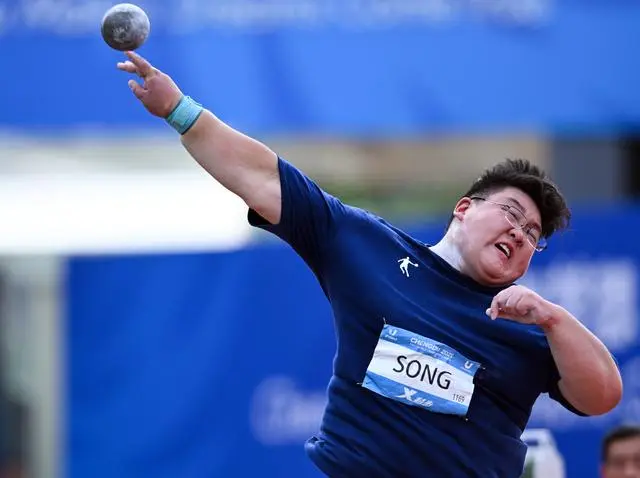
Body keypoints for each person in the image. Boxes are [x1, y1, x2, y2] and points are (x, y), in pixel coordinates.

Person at [117, 51, 623, 477]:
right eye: (511, 214)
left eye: (533, 235)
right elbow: (264, 178)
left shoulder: (528, 326)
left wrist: (554, 318)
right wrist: (180, 110)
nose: (520, 233)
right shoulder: (368, 245)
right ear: (464, 207)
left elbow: (601, 396)